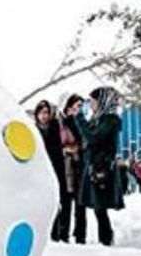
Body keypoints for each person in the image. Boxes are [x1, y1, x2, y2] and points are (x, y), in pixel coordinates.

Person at [71, 86, 124, 246]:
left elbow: (93, 138)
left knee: (100, 206)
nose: (91, 105)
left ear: (102, 102)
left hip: (102, 167)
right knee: (97, 206)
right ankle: (106, 238)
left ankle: (106, 239)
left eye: (93, 101)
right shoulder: (99, 119)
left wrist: (79, 119)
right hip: (94, 165)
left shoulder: (110, 120)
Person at [34, 100, 69, 242]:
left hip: (56, 168)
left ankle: (58, 233)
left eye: (46, 113)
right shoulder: (34, 129)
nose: (44, 116)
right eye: (41, 113)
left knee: (58, 201)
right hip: (41, 170)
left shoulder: (55, 127)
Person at [59, 93, 88, 244]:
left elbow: (85, 141)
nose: (79, 109)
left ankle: (80, 236)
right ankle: (62, 235)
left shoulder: (80, 122)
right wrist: (65, 150)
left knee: (80, 204)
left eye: (81, 107)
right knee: (65, 203)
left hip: (79, 166)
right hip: (64, 167)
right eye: (77, 106)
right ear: (68, 106)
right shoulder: (60, 122)